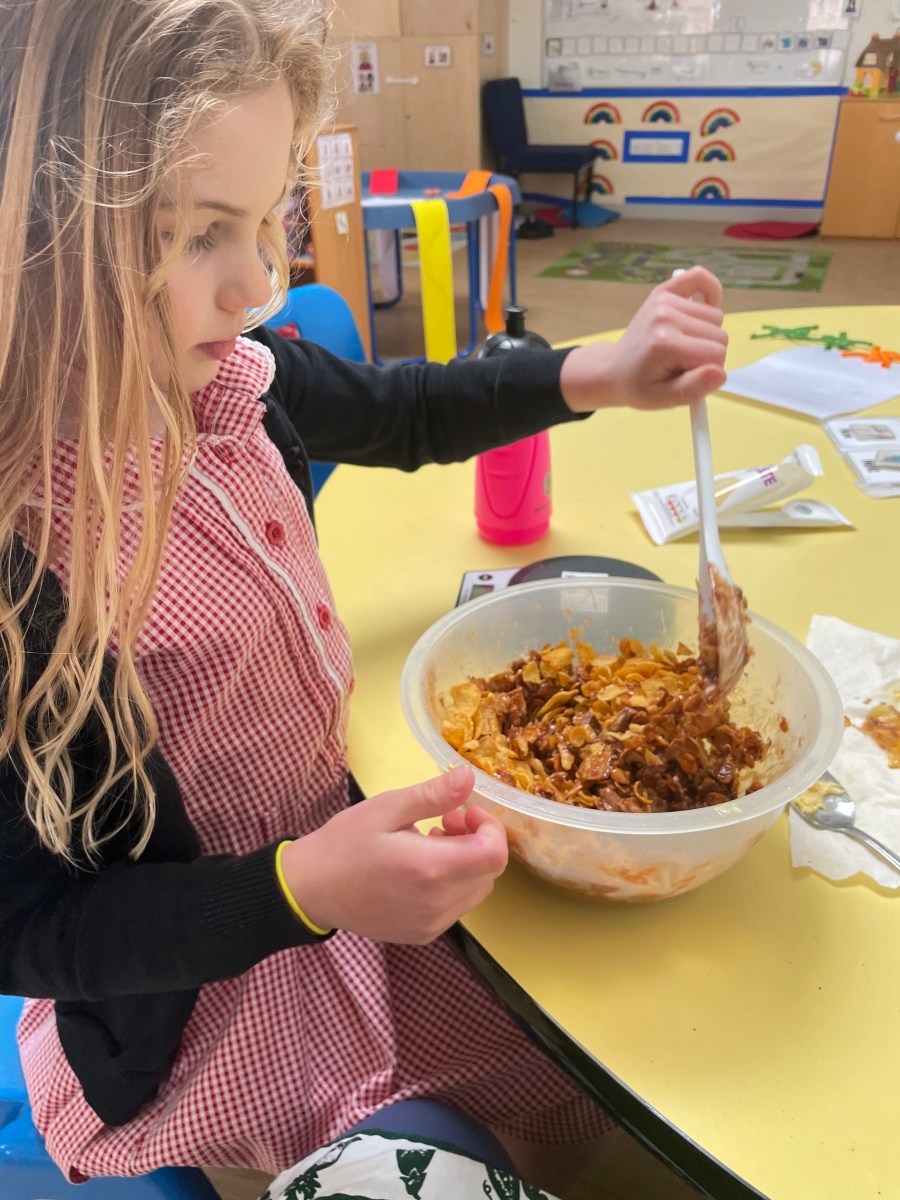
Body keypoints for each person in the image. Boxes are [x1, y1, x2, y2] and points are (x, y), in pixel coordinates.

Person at [0, 1, 727, 1195]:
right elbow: (36, 928)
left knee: (593, 1040)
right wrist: (300, 888)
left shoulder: (235, 381)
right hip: (210, 982)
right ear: (36, 235)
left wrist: (601, 370)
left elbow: (404, 410)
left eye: (266, 224)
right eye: (201, 235)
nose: (258, 286)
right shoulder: (28, 551)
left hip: (342, 856)